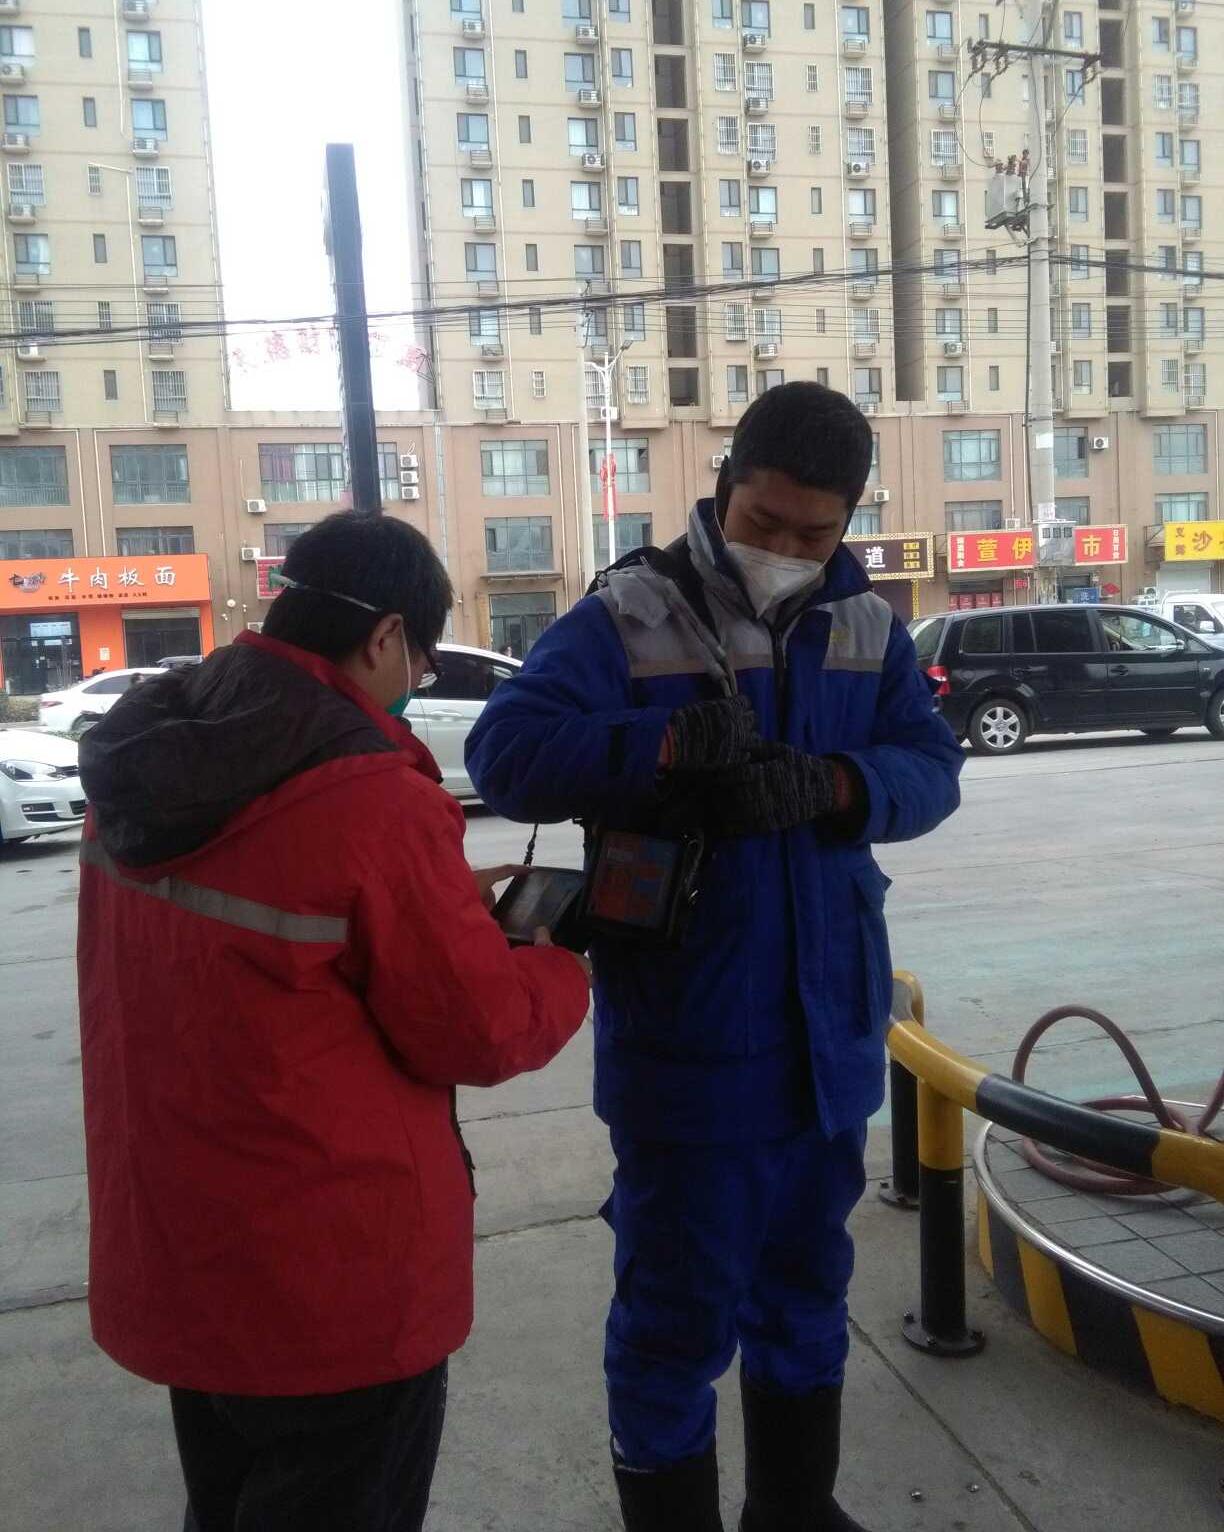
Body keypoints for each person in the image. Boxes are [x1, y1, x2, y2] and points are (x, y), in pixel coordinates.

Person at [466, 382, 963, 1531]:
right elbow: (506, 754)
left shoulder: (867, 626)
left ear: (849, 519)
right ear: (725, 484)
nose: (784, 549)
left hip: (828, 1047)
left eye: (813, 533)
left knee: (809, 1295)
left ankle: (794, 1508)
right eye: (762, 520)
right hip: (691, 1054)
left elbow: (932, 767)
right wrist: (663, 745)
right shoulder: (632, 615)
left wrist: (840, 785)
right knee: (674, 1326)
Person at [76, 510, 591, 1532]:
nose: (417, 681)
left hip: (182, 1250)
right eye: (423, 660)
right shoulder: (371, 798)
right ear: (386, 635)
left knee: (225, 1503)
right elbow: (480, 1030)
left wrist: (430, 906)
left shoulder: (150, 751)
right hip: (330, 1288)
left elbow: (266, 933)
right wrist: (556, 967)